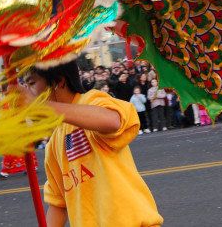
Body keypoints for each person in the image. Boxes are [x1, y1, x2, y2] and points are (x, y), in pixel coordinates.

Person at [19, 61, 162, 226]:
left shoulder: (91, 100)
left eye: (31, 83)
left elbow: (112, 121)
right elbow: (58, 205)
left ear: (59, 81)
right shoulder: (54, 143)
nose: (28, 92)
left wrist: (42, 107)